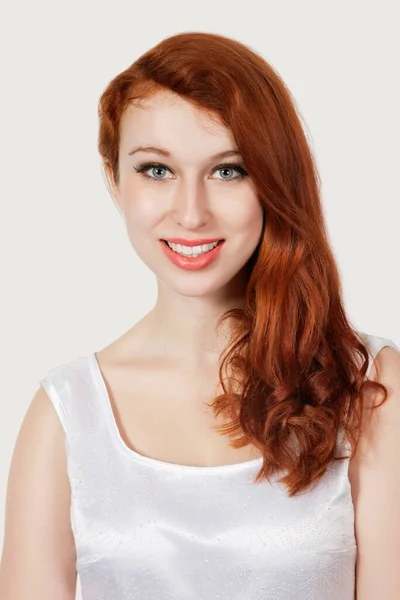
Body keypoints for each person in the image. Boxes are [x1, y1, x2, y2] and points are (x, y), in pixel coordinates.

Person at [1, 31, 399, 600]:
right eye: (156, 170)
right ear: (115, 181)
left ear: (274, 182)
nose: (191, 213)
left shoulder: (367, 386)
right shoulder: (66, 415)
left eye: (228, 170)